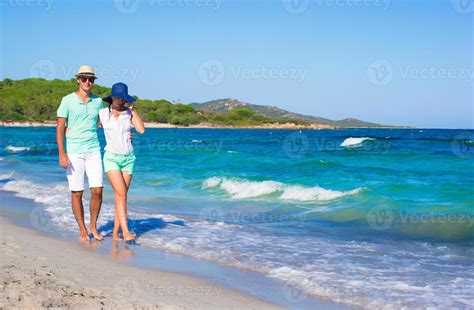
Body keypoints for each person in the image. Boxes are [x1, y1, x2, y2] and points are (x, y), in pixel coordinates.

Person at [56, 65, 104, 241]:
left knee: (97, 190)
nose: (87, 82)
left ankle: (93, 226)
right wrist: (62, 153)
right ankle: (82, 229)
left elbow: (104, 122)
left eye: (90, 79)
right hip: (74, 152)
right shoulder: (67, 100)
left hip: (94, 150)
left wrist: (127, 133)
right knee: (77, 192)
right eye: (84, 78)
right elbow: (60, 128)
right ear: (78, 80)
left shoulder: (98, 101)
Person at [99, 82, 145, 242]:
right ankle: (126, 232)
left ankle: (116, 233)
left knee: (121, 196)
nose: (119, 100)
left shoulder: (129, 113)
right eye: (117, 97)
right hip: (111, 157)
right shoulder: (103, 113)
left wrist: (133, 109)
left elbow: (141, 130)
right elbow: (90, 128)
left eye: (122, 98)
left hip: (128, 158)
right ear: (111, 97)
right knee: (122, 193)